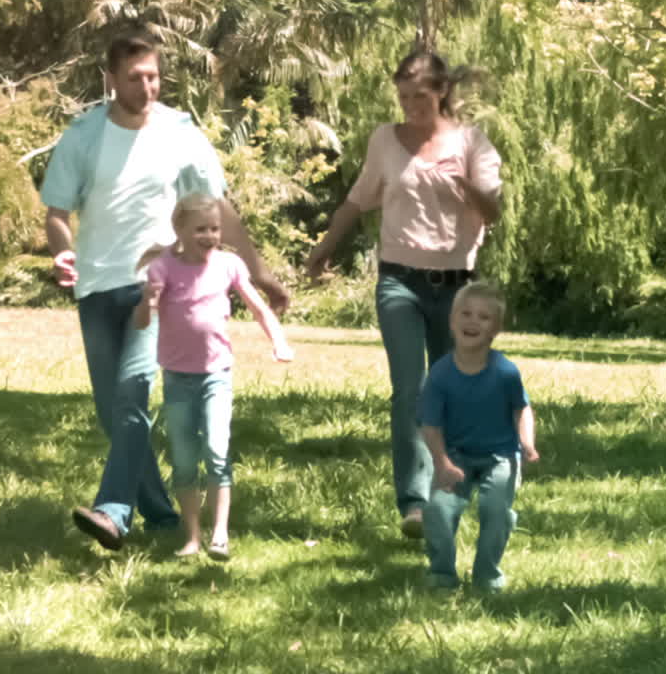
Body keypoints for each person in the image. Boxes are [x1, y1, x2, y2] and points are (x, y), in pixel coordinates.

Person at [40, 30, 290, 551]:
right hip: (95, 286)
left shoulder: (181, 134)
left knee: (133, 391)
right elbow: (57, 212)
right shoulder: (83, 136)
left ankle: (113, 512)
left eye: (153, 76)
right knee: (113, 413)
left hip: (156, 284)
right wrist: (62, 251)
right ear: (110, 79)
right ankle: (159, 513)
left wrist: (258, 269)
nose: (147, 87)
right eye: (135, 78)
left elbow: (217, 208)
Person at [305, 50, 503, 539]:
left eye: (420, 97)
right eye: (404, 97)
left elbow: (493, 211)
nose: (411, 106)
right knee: (410, 388)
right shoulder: (385, 140)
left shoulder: (472, 143)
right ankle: (414, 503)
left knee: (452, 388)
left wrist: (466, 185)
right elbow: (357, 199)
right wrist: (324, 248)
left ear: (442, 92)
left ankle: (448, 490)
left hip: (456, 285)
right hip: (399, 280)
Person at [133, 194, 294, 561]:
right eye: (201, 229)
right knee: (184, 460)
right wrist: (147, 301)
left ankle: (220, 535)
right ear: (180, 230)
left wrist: (279, 341)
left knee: (218, 452)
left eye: (215, 229)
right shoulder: (163, 268)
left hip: (216, 376)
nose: (209, 236)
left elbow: (257, 307)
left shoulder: (228, 265)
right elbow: (142, 322)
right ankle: (192, 537)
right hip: (178, 379)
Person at [419, 281, 538, 591]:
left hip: (501, 457)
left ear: (495, 329)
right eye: (466, 313)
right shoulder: (440, 375)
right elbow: (430, 426)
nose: (473, 321)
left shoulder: (505, 371)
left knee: (495, 510)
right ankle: (442, 575)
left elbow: (521, 409)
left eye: (484, 317)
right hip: (455, 456)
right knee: (438, 510)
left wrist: (526, 443)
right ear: (451, 321)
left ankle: (487, 576)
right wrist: (442, 463)